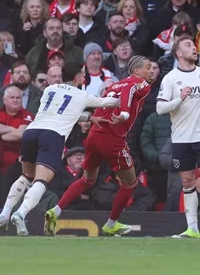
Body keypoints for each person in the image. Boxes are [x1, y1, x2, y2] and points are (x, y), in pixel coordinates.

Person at [0, 63, 119, 235]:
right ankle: (21, 212)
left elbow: (60, 110)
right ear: (78, 77)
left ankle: (4, 213)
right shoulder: (82, 94)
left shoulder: (50, 89)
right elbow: (110, 102)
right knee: (41, 180)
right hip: (52, 135)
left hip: (32, 131)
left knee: (26, 175)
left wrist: (89, 117)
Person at [44, 56, 153, 236]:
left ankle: (55, 211)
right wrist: (125, 113)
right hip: (112, 137)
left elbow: (107, 101)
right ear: (136, 71)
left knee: (88, 179)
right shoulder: (139, 83)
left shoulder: (113, 86)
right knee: (130, 183)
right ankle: (111, 223)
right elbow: (130, 89)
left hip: (95, 133)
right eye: (148, 67)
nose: (151, 71)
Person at [156, 37, 200, 238]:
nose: (194, 48)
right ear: (178, 53)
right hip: (180, 138)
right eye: (188, 45)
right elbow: (160, 107)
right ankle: (192, 228)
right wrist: (180, 98)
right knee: (187, 182)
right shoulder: (170, 78)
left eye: (193, 45)